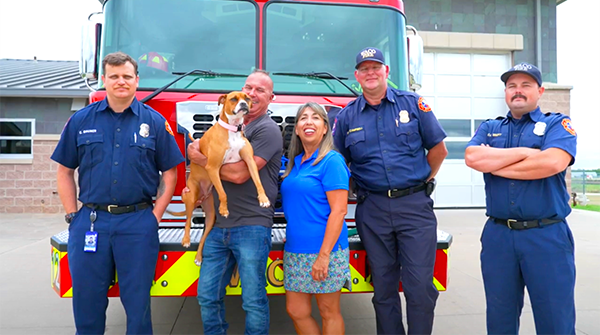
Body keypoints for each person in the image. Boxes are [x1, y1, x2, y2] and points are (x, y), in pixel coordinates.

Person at [51, 51, 184, 335]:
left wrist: (155, 217)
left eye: (126, 76)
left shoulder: (156, 123)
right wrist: (73, 215)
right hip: (90, 222)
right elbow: (64, 171)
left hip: (138, 224)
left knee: (138, 306)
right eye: (114, 76)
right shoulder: (81, 121)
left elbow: (170, 173)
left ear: (137, 80)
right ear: (105, 80)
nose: (120, 82)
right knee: (87, 303)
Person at [332, 47, 448, 335]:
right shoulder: (347, 117)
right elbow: (337, 163)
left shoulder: (413, 104)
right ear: (357, 76)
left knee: (419, 287)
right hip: (373, 211)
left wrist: (422, 183)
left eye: (376, 67)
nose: (370, 73)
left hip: (414, 208)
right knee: (383, 290)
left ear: (386, 72)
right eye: (364, 69)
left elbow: (438, 150)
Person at [465, 63, 577, 335]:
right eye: (512, 86)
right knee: (500, 318)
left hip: (546, 235)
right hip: (498, 237)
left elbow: (551, 163)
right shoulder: (490, 127)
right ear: (505, 92)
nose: (518, 91)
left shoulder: (557, 123)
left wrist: (494, 164)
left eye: (526, 85)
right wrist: (529, 152)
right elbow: (472, 157)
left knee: (555, 321)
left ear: (539, 91)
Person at [186, 69, 282, 335]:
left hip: (251, 226)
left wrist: (201, 158)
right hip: (219, 226)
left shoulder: (267, 130)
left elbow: (239, 175)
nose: (251, 94)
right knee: (206, 296)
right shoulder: (231, 128)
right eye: (248, 87)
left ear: (269, 98)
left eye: (259, 91)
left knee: (253, 301)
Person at [280, 102, 351, 335]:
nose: (308, 122)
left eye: (316, 118)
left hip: (325, 250)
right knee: (296, 310)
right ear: (298, 130)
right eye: (303, 118)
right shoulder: (296, 163)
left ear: (324, 128)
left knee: (328, 311)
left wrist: (323, 256)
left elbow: (339, 211)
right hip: (295, 249)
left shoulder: (331, 161)